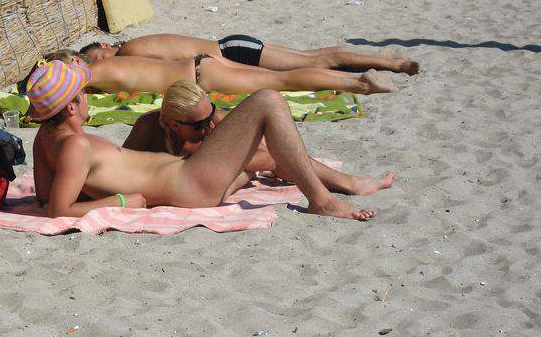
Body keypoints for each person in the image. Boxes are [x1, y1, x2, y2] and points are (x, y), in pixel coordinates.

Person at [27, 60, 386, 220]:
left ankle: (341, 185)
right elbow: (58, 210)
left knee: (260, 156)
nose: (87, 97)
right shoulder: (76, 146)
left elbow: (44, 197)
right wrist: (122, 201)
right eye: (83, 93)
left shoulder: (45, 139)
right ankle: (322, 201)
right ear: (71, 107)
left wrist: (102, 190)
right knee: (267, 101)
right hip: (188, 182)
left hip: (186, 177)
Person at [123, 80, 395, 196]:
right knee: (246, 173)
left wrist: (230, 158)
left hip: (221, 175)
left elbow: (267, 156)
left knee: (280, 160)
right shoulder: (148, 127)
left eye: (211, 114)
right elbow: (121, 168)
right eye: (200, 124)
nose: (209, 125)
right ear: (173, 124)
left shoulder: (215, 123)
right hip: (206, 184)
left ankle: (348, 183)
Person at [34, 48, 401, 96]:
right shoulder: (109, 65)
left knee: (282, 81)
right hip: (199, 64)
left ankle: (358, 83)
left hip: (201, 77)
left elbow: (64, 91)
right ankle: (354, 78)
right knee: (279, 77)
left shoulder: (95, 71)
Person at [79, 33, 419, 75]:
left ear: (106, 47)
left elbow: (178, 66)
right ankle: (385, 61)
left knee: (314, 62)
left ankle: (392, 63)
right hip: (233, 45)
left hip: (233, 53)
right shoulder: (138, 43)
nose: (104, 66)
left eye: (99, 60)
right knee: (311, 55)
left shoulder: (131, 51)